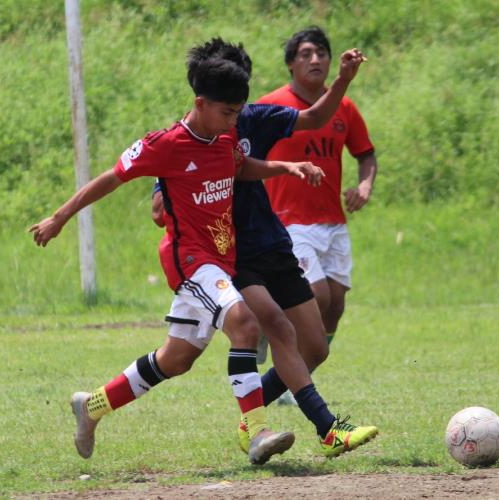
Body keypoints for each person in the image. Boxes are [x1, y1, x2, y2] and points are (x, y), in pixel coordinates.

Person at [29, 39, 323, 465]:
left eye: (237, 113)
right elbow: (111, 178)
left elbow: (241, 169)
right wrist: (59, 218)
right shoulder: (165, 144)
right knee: (243, 323)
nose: (233, 122)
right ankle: (258, 431)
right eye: (226, 113)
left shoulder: (224, 137)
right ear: (200, 103)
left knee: (176, 359)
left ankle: (91, 406)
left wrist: (285, 167)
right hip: (191, 261)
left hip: (218, 261)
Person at [153, 39, 378, 457]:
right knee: (277, 327)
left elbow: (314, 117)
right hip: (231, 254)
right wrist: (170, 196)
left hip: (273, 244)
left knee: (315, 347)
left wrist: (344, 79)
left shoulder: (254, 118)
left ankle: (249, 416)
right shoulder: (187, 137)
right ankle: (329, 430)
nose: (236, 105)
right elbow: (158, 205)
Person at [258, 27, 378, 356]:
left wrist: (364, 185)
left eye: (322, 53)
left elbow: (365, 154)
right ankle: (272, 329)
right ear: (290, 65)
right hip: (287, 220)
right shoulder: (271, 106)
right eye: (306, 54)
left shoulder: (345, 108)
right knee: (316, 295)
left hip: (332, 220)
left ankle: (302, 372)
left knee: (335, 305)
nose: (316, 59)